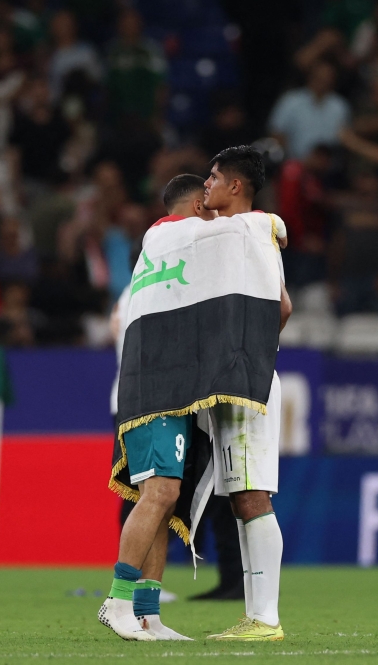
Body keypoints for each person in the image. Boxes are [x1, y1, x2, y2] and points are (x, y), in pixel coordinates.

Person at [98, 175, 215, 643]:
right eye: (207, 205)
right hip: (152, 389)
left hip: (168, 387)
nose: (215, 214)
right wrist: (267, 220)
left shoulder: (167, 257)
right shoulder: (167, 231)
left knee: (163, 501)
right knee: (160, 494)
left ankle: (148, 614)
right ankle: (117, 600)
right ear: (192, 206)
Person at [202, 146, 292, 641]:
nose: (206, 185)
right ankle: (256, 612)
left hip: (248, 379)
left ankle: (266, 617)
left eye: (213, 177)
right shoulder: (242, 237)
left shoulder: (253, 228)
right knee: (241, 497)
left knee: (253, 495)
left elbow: (281, 307)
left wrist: (246, 352)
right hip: (236, 379)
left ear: (236, 186)